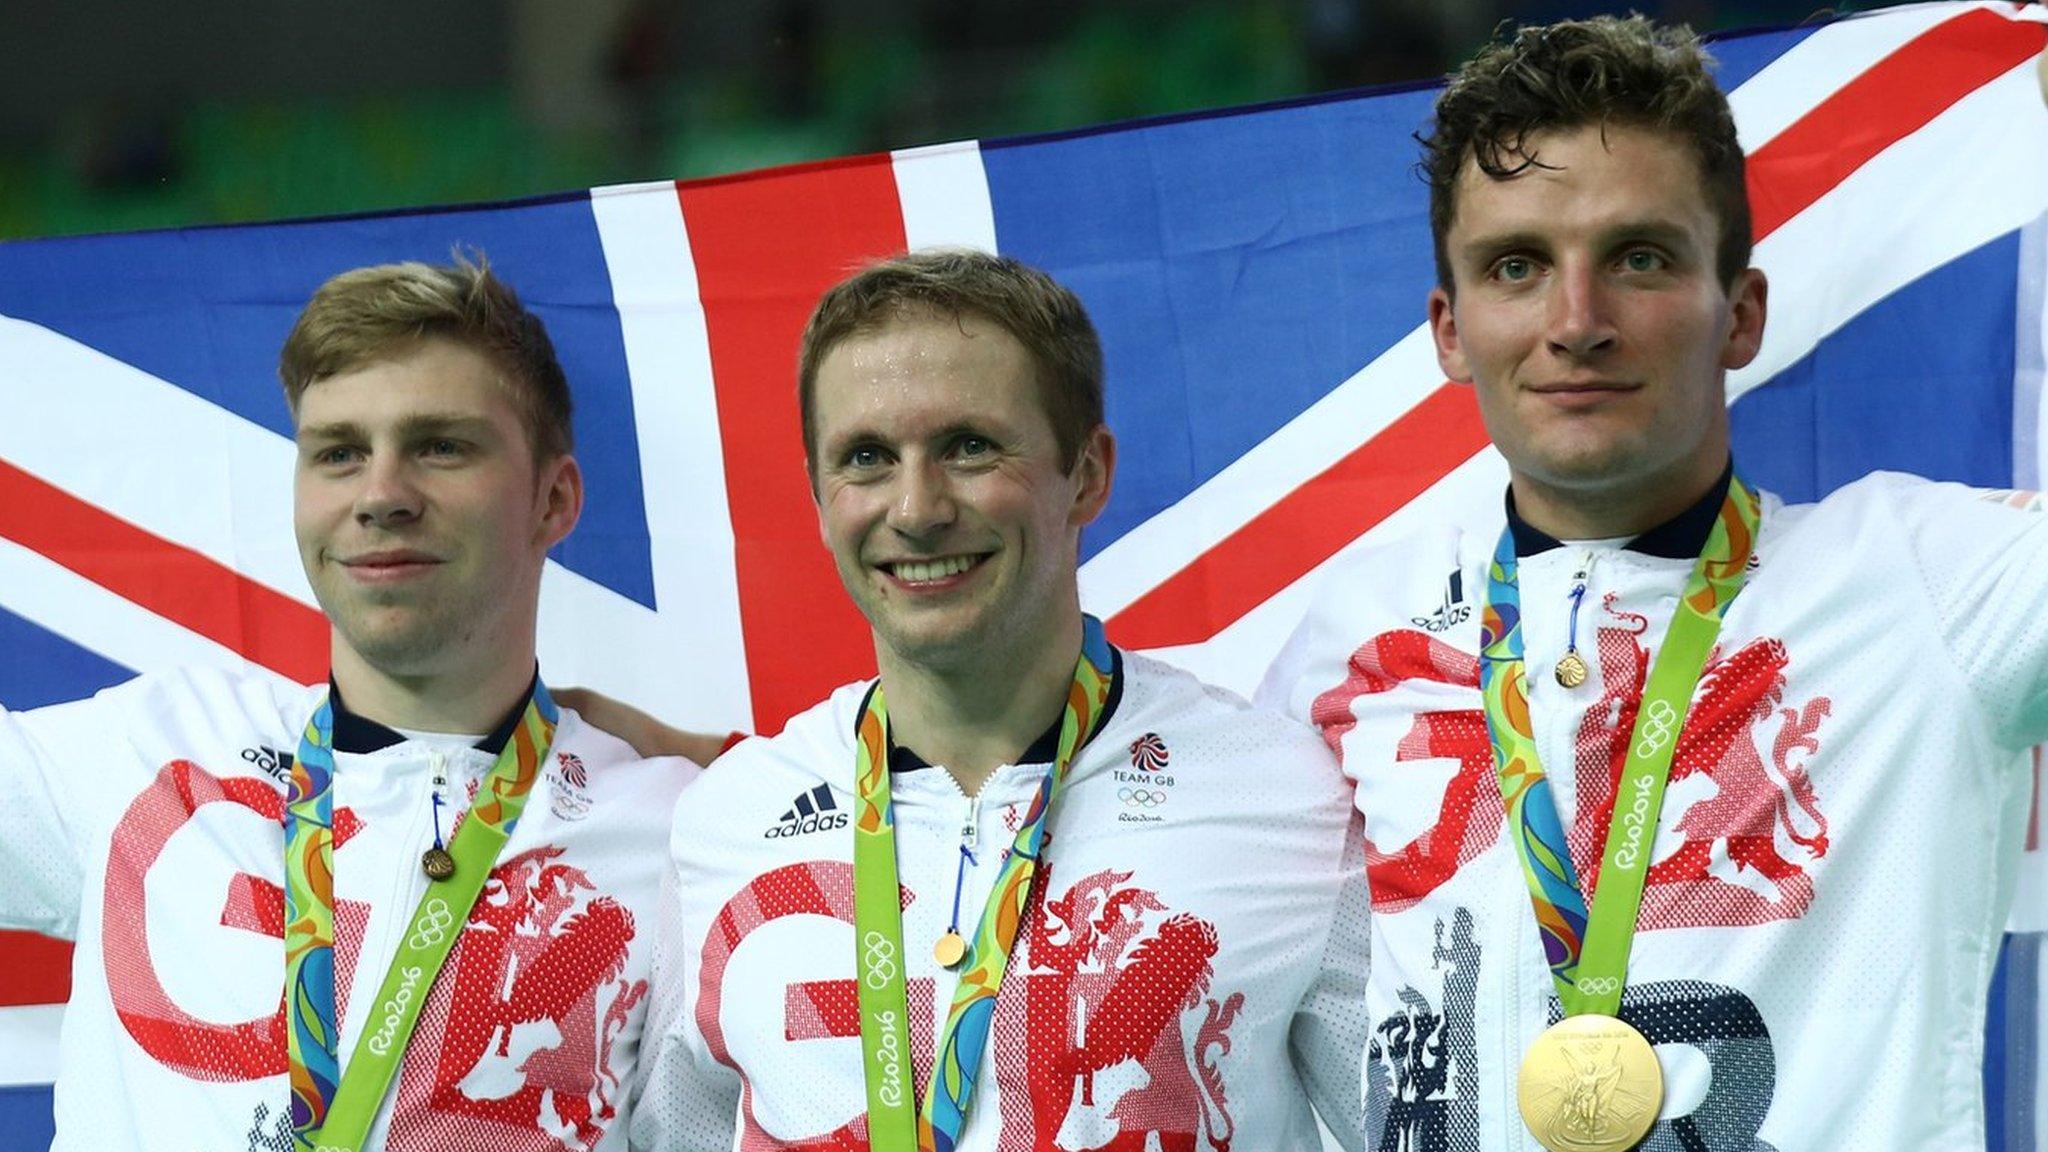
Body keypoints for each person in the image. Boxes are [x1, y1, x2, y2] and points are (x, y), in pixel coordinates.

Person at [1257, 15, 2048, 1152]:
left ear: (1741, 313)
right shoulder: (1346, 641)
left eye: (1637, 257)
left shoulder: (1922, 584)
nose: (1575, 324)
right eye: (1515, 267)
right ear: (1448, 329)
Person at [625, 250, 1372, 1151]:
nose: (917, 507)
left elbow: (1407, 1124)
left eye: (969, 447)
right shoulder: (728, 820)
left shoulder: (1276, 789)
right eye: (866, 458)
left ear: (1087, 473)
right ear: (821, 500)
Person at [0, 256, 706, 1151]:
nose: (380, 496)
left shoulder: (680, 831)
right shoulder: (152, 749)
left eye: (441, 446)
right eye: (338, 453)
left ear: (554, 499)